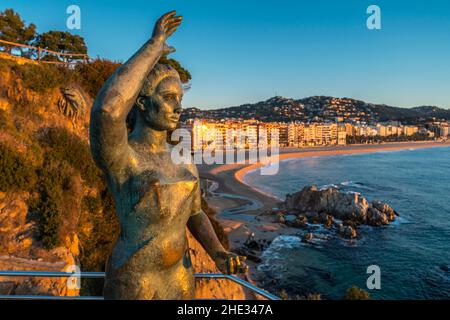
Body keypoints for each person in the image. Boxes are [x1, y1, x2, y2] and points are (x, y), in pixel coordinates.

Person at [89, 10, 247, 300]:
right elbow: (107, 111)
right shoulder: (124, 157)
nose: (178, 107)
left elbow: (196, 213)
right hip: (135, 279)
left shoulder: (182, 157)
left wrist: (218, 252)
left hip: (181, 275)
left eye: (180, 99)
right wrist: (154, 46)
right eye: (169, 98)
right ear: (142, 102)